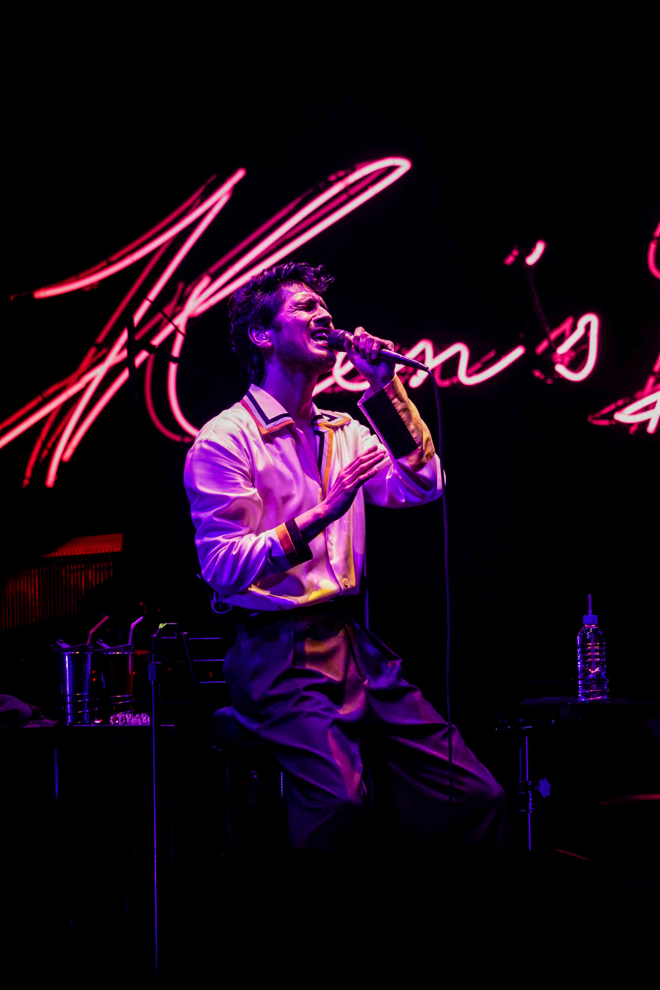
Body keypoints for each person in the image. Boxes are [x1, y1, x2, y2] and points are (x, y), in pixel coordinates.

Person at [184, 261, 505, 851]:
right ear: (262, 335)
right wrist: (320, 514)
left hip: (355, 643)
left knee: (473, 795)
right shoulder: (225, 438)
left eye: (324, 307)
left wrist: (386, 389)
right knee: (339, 806)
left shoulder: (345, 430)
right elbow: (222, 567)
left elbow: (422, 484)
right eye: (304, 307)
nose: (324, 315)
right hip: (276, 652)